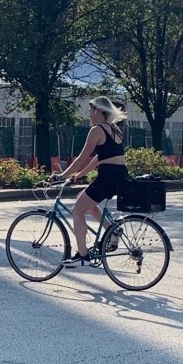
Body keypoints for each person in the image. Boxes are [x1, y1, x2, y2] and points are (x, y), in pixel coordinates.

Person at [54, 96, 128, 267]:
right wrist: (80, 174)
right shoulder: (115, 129)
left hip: (107, 176)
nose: (88, 114)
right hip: (119, 174)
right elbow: (100, 157)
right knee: (85, 199)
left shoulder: (96, 130)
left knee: (77, 210)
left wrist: (62, 176)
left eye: (90, 110)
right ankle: (111, 230)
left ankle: (82, 253)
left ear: (97, 111)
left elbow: (81, 158)